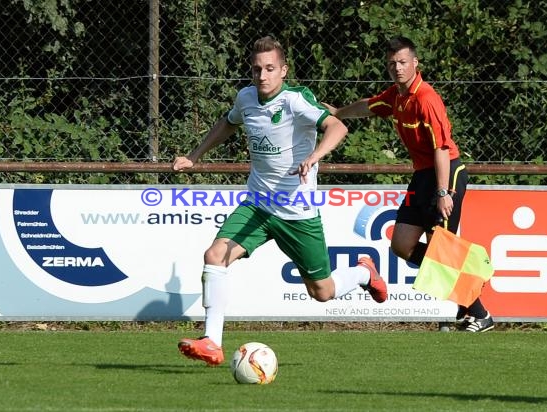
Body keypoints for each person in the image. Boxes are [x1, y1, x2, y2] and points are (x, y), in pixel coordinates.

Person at [172, 35, 388, 366]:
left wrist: (314, 156)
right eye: (257, 69)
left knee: (322, 292)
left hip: (297, 213)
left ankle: (363, 274)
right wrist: (194, 156)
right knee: (214, 256)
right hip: (257, 205)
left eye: (270, 69)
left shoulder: (296, 100)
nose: (263, 76)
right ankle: (211, 341)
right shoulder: (245, 98)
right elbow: (227, 124)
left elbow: (337, 126)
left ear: (283, 70)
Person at [323, 36, 494, 333]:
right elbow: (369, 106)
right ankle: (469, 284)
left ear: (415, 63)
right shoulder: (396, 96)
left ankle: (479, 314)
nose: (397, 68)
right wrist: (339, 112)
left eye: (402, 62)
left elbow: (441, 148)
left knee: (442, 249)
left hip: (447, 171)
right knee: (402, 245)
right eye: (392, 63)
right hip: (423, 176)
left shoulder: (426, 98)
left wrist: (443, 192)